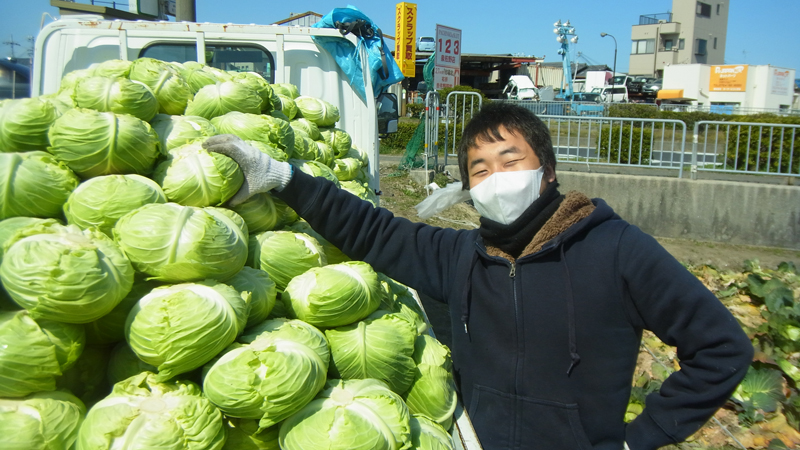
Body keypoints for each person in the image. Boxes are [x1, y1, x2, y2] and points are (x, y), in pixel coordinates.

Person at [203, 102, 753, 450]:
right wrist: (283, 178)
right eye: (479, 170)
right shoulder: (461, 255)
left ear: (548, 170)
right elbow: (373, 231)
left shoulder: (617, 250)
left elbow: (721, 347)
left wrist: (643, 438)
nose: (495, 178)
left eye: (510, 161)